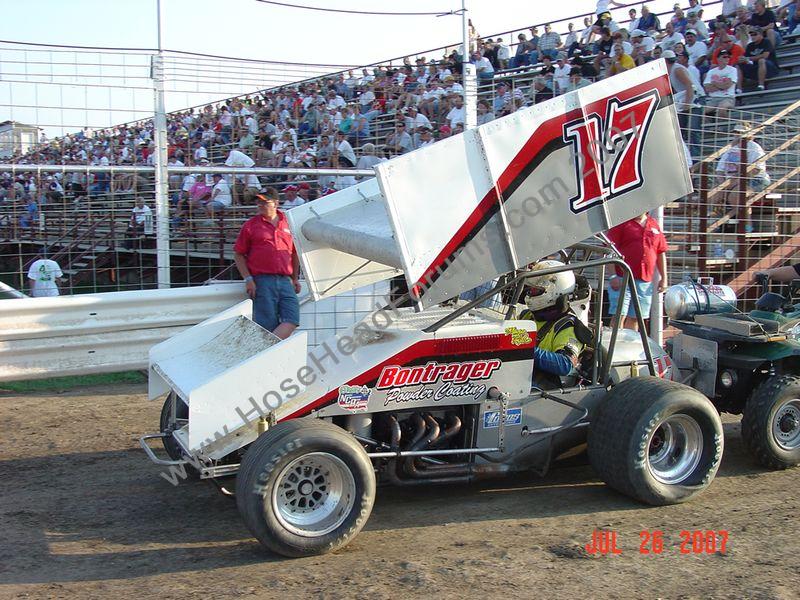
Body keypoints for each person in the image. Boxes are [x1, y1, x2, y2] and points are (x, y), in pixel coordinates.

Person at [233, 188, 301, 339]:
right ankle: (269, 351)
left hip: (284, 279)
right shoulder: (251, 225)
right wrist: (248, 279)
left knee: (291, 319)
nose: (261, 205)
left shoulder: (288, 223)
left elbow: (294, 253)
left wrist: (295, 278)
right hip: (262, 280)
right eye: (259, 202)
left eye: (265, 202)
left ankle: (266, 349)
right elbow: (238, 254)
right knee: (268, 323)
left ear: (276, 203)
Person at [519, 260, 589, 381]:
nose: (530, 293)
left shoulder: (568, 326)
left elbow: (565, 365)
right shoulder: (527, 315)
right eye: (531, 289)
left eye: (536, 290)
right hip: (524, 374)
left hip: (548, 383)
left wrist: (525, 350)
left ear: (554, 292)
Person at [606, 213, 669, 331]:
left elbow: (661, 252)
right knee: (619, 315)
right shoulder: (621, 223)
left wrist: (664, 278)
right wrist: (613, 275)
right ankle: (614, 345)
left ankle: (628, 345)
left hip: (644, 280)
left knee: (636, 317)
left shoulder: (653, 224)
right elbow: (610, 250)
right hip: (622, 278)